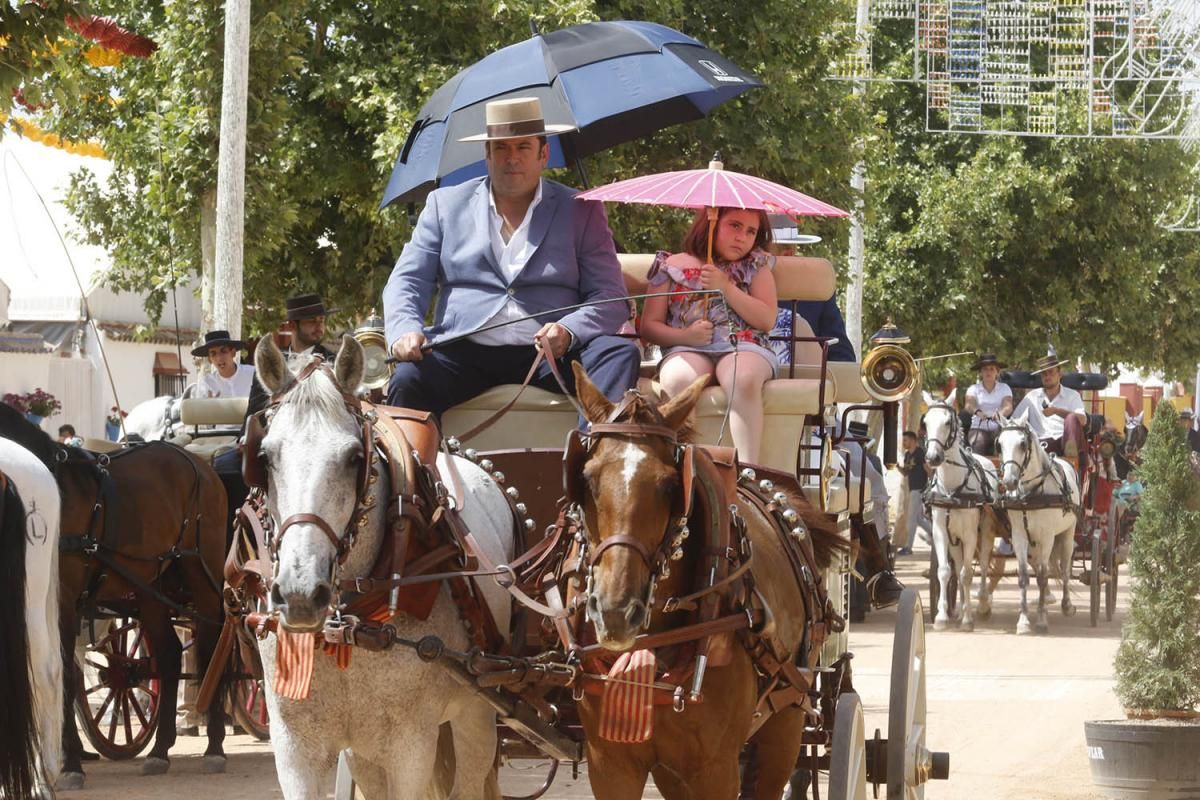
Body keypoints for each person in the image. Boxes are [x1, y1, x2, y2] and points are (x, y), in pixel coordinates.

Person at [384, 97, 640, 417]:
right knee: (408, 378)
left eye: (523, 147)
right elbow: (408, 279)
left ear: (543, 154)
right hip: (463, 352)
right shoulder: (443, 205)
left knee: (618, 353)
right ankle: (413, 469)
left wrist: (569, 330)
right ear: (487, 154)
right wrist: (403, 331)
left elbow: (609, 297)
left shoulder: (581, 210)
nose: (512, 159)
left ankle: (591, 460)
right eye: (502, 148)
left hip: (551, 357)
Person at [639, 207, 779, 464]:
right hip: (689, 347)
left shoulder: (755, 266)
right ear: (709, 224)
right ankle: (682, 467)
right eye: (734, 226)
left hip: (744, 344)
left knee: (743, 378)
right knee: (677, 378)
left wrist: (726, 287)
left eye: (751, 231)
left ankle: (748, 470)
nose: (742, 237)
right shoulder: (669, 266)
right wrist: (685, 336)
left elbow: (767, 319)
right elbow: (649, 326)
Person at [1012, 351, 1087, 464]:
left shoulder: (1072, 395)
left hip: (1063, 441)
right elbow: (1015, 420)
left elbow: (1083, 420)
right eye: (1044, 374)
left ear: (1059, 374)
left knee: (1072, 418)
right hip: (1038, 444)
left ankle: (1071, 458)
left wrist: (1057, 411)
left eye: (1051, 372)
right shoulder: (1032, 397)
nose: (1047, 376)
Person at [963, 353, 1013, 454]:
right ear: (981, 372)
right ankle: (977, 468)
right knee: (978, 442)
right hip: (978, 428)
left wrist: (1000, 414)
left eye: (991, 369)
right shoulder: (973, 389)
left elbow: (1008, 406)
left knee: (1004, 443)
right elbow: (969, 405)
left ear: (997, 372)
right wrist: (977, 411)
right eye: (985, 369)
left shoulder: (1004, 388)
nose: (988, 372)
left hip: (999, 427)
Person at [193, 330, 255, 400]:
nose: (219, 358)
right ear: (209, 359)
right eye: (213, 354)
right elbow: (200, 409)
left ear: (233, 353)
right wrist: (209, 406)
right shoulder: (206, 384)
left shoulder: (252, 374)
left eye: (223, 351)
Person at [899, 431, 932, 555]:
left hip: (919, 488)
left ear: (913, 440)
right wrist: (897, 467)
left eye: (906, 440)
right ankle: (936, 533)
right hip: (912, 488)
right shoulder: (907, 455)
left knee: (911, 519)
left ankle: (908, 547)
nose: (904, 443)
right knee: (918, 519)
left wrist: (932, 485)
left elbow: (927, 468)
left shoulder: (920, 452)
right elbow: (906, 473)